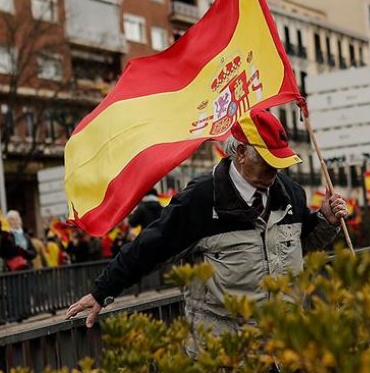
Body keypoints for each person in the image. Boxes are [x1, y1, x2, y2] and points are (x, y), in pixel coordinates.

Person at [65, 108, 347, 356]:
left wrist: (326, 220)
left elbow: (301, 246)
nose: (276, 169)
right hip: (227, 353)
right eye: (268, 160)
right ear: (240, 153)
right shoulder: (200, 199)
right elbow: (150, 247)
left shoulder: (291, 193)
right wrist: (102, 291)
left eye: (280, 160)